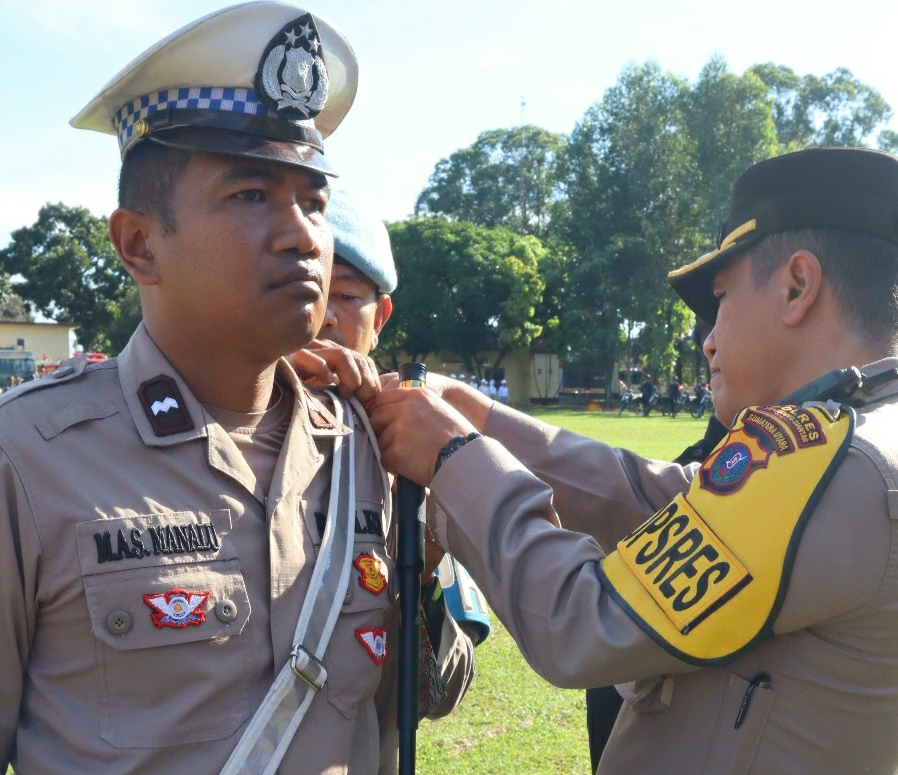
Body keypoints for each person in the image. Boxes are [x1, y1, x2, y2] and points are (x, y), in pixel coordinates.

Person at [0, 5, 471, 775]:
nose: (301, 234)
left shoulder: (364, 447)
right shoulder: (27, 459)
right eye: (251, 194)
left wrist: (431, 539)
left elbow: (422, 701)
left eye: (314, 201)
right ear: (139, 244)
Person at [368, 147, 898, 774]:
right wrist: (484, 422)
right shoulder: (856, 442)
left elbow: (579, 619)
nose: (709, 338)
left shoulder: (839, 466)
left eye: (722, 298)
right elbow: (662, 499)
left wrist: (455, 458)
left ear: (796, 287)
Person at [317, 186, 490, 647]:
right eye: (309, 290)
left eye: (348, 295)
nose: (325, 315)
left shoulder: (404, 437)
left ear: (381, 320)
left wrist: (421, 557)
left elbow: (435, 691)